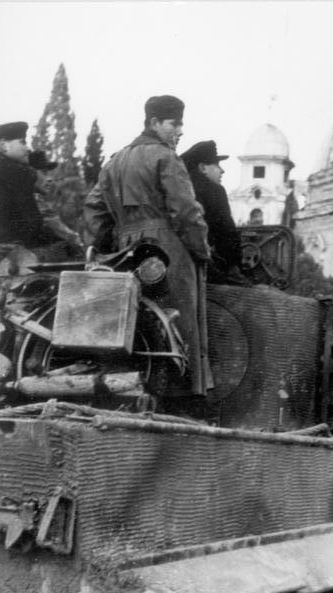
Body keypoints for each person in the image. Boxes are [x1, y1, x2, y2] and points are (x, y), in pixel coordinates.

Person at [83, 95, 212, 396]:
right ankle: (181, 394)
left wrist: (107, 243)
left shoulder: (115, 160)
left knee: (133, 318)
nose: (180, 131)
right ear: (154, 123)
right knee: (177, 319)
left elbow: (93, 207)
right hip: (166, 249)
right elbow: (186, 212)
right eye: (174, 124)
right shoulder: (166, 157)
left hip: (125, 250)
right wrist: (201, 250)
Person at [0, 121, 46, 282]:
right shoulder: (17, 171)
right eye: (22, 142)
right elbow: (32, 220)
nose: (27, 148)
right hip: (8, 248)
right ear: (3, 145)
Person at [181, 140, 249, 285]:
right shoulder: (215, 190)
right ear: (203, 167)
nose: (222, 170)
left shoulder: (180, 189)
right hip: (210, 270)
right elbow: (227, 233)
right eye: (217, 165)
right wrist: (234, 267)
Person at [29, 150, 84, 254]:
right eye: (44, 173)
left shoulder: (32, 197)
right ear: (30, 174)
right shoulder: (34, 200)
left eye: (49, 173)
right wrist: (83, 244)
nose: (50, 179)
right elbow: (58, 228)